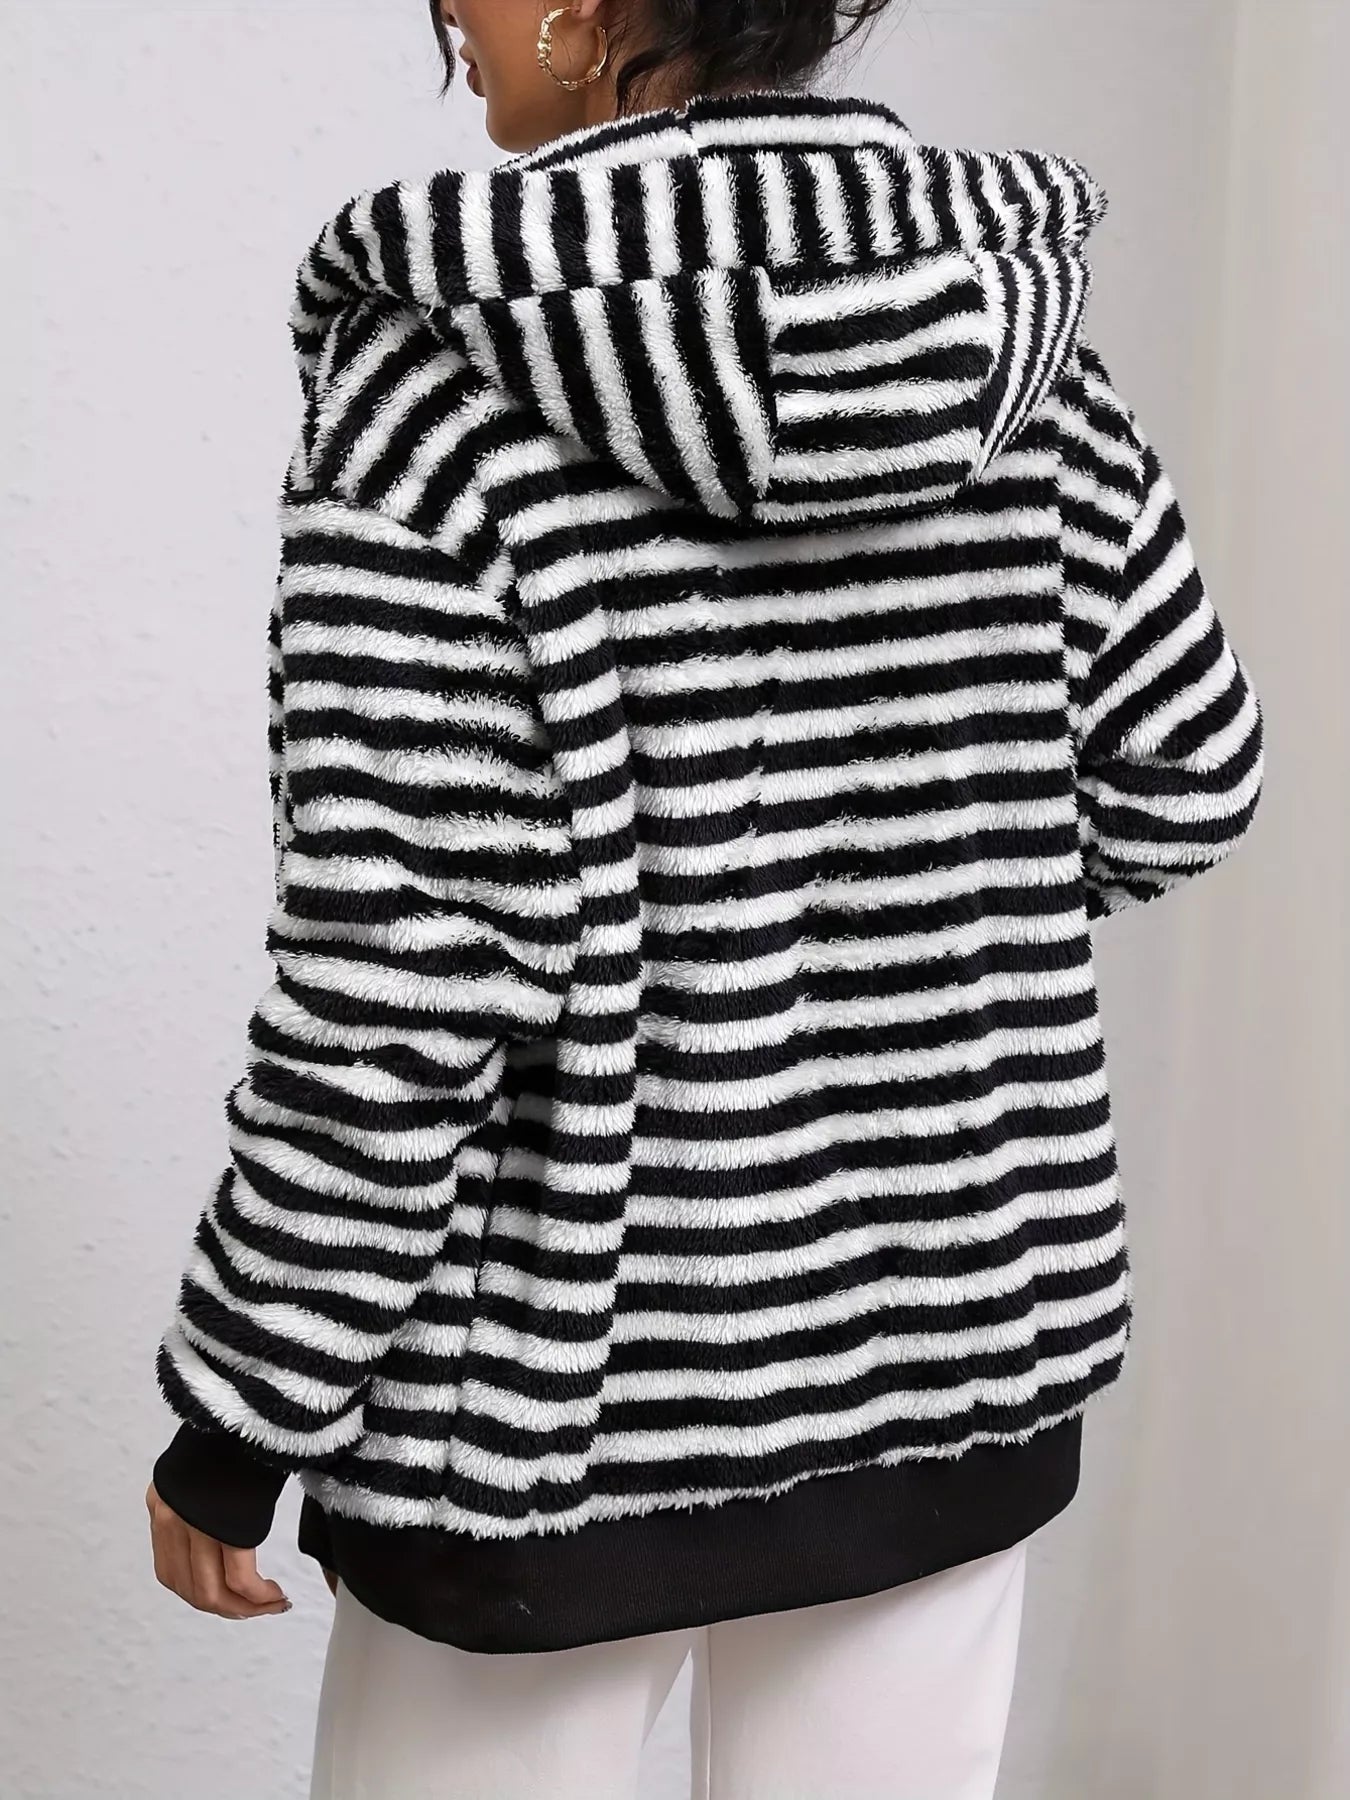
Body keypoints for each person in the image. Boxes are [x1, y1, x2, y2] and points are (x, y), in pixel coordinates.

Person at [144, 1, 1266, 1794]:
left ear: (587, 10)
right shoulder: (1016, 359)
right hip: (951, 1360)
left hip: (548, 1433)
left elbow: (400, 991)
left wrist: (241, 1408)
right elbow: (1184, 776)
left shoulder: (433, 398)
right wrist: (915, 911)